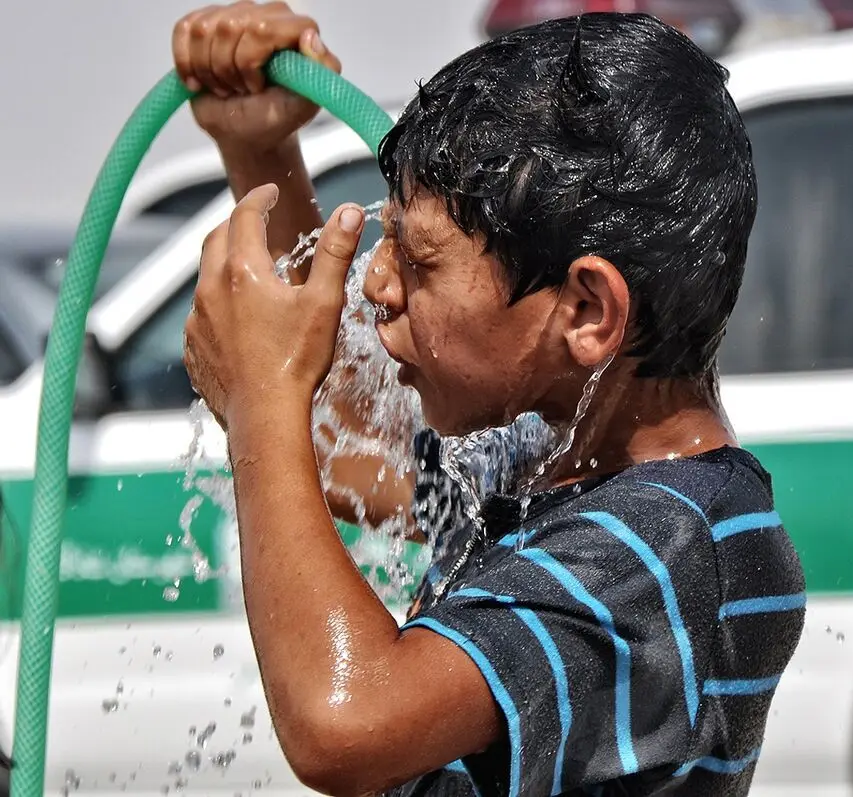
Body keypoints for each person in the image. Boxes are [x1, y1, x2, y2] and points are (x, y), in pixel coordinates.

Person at [175, 2, 806, 795]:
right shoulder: (551, 460)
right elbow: (340, 451)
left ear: (586, 311)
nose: (375, 285)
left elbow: (344, 722)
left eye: (419, 260)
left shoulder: (662, 545)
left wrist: (262, 395)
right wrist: (262, 150)